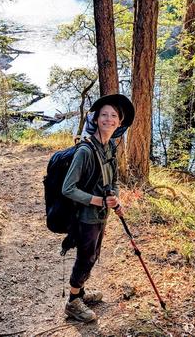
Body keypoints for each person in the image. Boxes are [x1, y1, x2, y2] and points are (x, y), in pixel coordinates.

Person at [61, 93, 135, 323]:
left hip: (100, 214)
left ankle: (80, 292)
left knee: (94, 255)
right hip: (86, 215)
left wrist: (116, 200)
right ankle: (73, 302)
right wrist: (99, 201)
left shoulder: (110, 146)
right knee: (86, 258)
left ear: (120, 122)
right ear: (96, 119)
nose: (109, 119)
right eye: (104, 114)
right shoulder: (85, 151)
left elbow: (112, 181)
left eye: (114, 115)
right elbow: (68, 188)